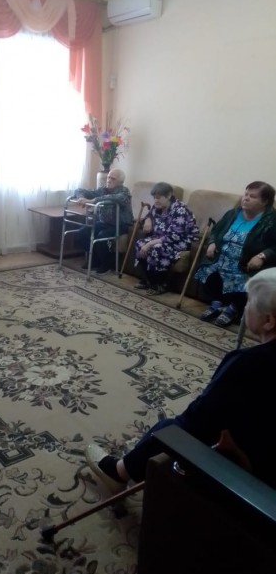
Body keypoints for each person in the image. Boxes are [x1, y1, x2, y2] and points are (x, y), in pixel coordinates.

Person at [85, 267, 276, 491]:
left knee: (168, 429)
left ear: (268, 320)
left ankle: (118, 473)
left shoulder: (248, 363)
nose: (245, 307)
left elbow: (197, 421)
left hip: (253, 480)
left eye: (249, 302)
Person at [194, 181, 276, 327]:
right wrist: (212, 243)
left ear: (265, 202)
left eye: (253, 196)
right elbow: (216, 230)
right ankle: (217, 303)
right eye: (246, 194)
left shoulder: (271, 221)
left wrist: (262, 256)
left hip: (245, 262)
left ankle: (234, 308)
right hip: (221, 257)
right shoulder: (232, 213)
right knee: (207, 269)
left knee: (239, 277)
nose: (246, 198)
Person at [133, 182, 199, 296]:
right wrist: (147, 219)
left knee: (156, 248)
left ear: (168, 196)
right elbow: (148, 216)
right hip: (160, 237)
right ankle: (149, 279)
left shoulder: (180, 210)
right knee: (140, 244)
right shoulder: (158, 206)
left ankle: (161, 284)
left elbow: (173, 236)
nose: (155, 200)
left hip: (180, 241)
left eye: (158, 197)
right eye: (154, 197)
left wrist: (149, 244)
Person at [73, 169, 134, 275]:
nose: (109, 180)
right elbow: (79, 190)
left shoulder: (124, 192)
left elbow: (115, 198)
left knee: (101, 236)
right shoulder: (103, 189)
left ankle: (108, 264)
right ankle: (96, 259)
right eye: (108, 177)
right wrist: (81, 198)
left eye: (113, 178)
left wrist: (93, 200)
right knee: (82, 233)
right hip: (104, 223)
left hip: (120, 224)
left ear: (120, 182)